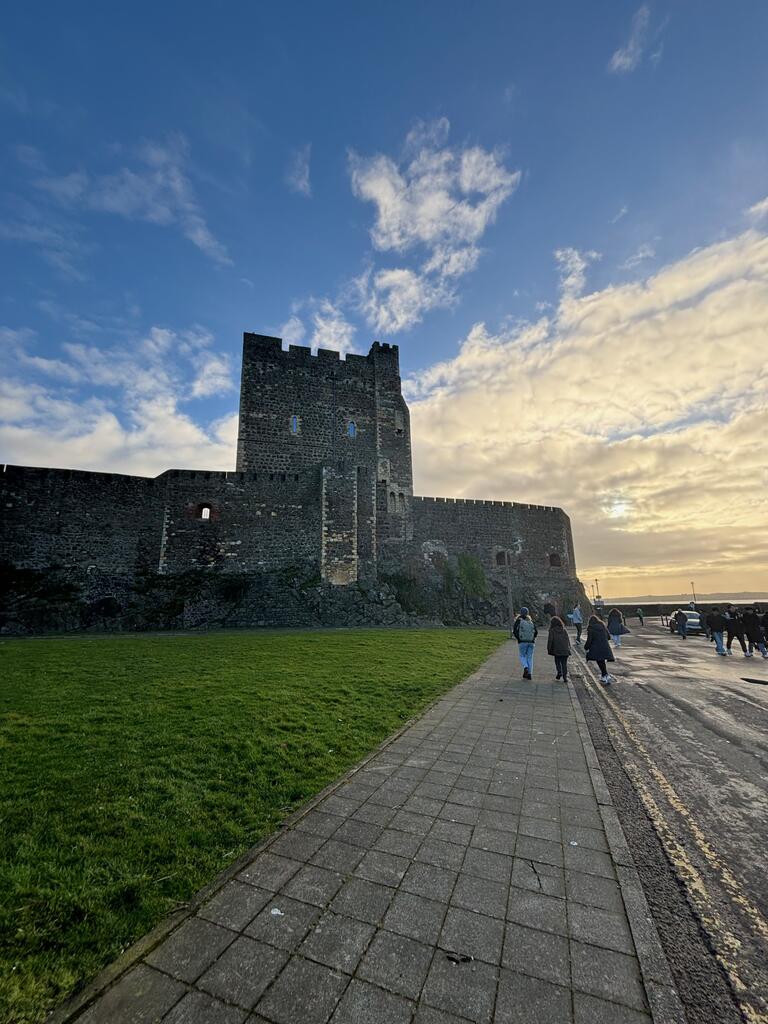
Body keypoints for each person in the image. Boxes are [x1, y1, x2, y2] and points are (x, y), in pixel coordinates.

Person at [585, 614, 615, 685]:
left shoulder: (591, 628)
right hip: (605, 647)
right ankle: (605, 675)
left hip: (596, 648)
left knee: (600, 661)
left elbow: (589, 640)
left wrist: (586, 647)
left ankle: (605, 676)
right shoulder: (603, 626)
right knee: (602, 662)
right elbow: (608, 637)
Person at [513, 607, 538, 680]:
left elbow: (515, 631)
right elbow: (536, 632)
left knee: (522, 656)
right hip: (531, 642)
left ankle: (525, 667)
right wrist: (532, 638)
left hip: (522, 642)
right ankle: (529, 674)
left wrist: (519, 638)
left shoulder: (518, 621)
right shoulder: (530, 621)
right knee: (530, 658)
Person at [547, 616, 572, 682]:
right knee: (564, 663)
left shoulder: (552, 630)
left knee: (557, 661)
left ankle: (559, 672)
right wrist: (569, 648)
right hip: (565, 649)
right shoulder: (564, 630)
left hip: (557, 649)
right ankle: (565, 677)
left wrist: (549, 649)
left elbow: (550, 640)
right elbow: (568, 640)